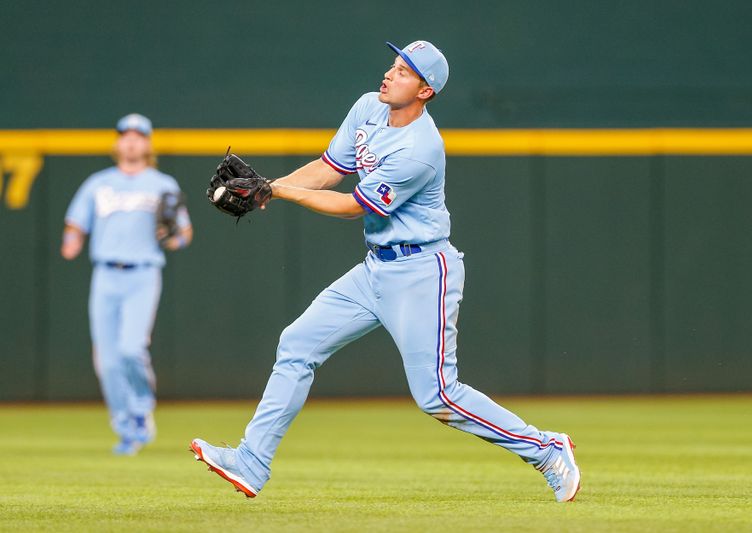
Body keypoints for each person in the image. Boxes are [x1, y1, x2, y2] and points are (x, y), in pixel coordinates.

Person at [191, 41, 580, 502]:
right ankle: (252, 462)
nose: (390, 75)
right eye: (393, 65)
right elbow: (329, 169)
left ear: (425, 91)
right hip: (376, 268)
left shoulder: (420, 148)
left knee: (436, 395)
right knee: (297, 344)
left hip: (421, 272)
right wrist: (266, 191)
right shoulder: (367, 108)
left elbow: (350, 207)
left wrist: (277, 192)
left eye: (404, 71)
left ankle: (545, 448)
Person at [62, 113, 193, 455]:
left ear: (148, 144)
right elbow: (75, 223)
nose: (132, 140)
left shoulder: (162, 184)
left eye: (139, 135)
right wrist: (71, 240)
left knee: (131, 348)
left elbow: (184, 234)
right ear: (117, 143)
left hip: (143, 274)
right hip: (105, 274)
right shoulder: (98, 183)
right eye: (126, 135)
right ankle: (126, 427)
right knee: (106, 360)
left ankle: (141, 407)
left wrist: (172, 238)